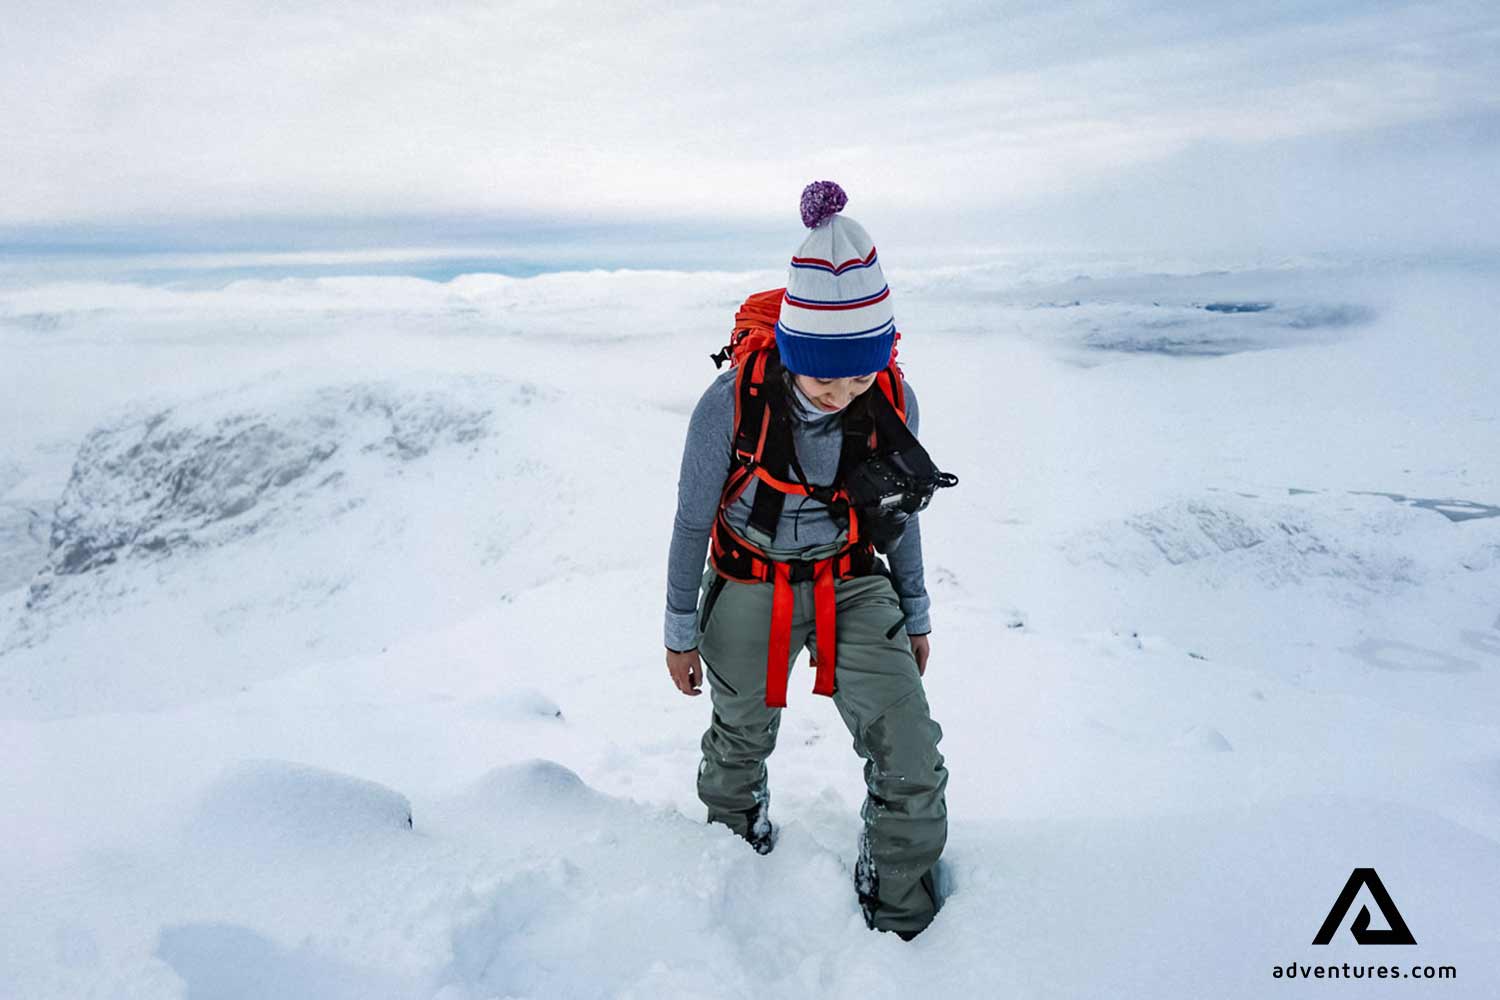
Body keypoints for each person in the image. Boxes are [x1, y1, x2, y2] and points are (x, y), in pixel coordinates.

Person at [662, 181, 950, 940]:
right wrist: (678, 631)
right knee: (738, 741)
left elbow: (899, 513)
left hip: (851, 578)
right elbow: (693, 519)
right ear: (792, 352)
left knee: (910, 745)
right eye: (825, 376)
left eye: (860, 375)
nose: (841, 394)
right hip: (750, 575)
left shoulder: (889, 398)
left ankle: (901, 904)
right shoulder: (730, 403)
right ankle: (731, 866)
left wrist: (915, 611)